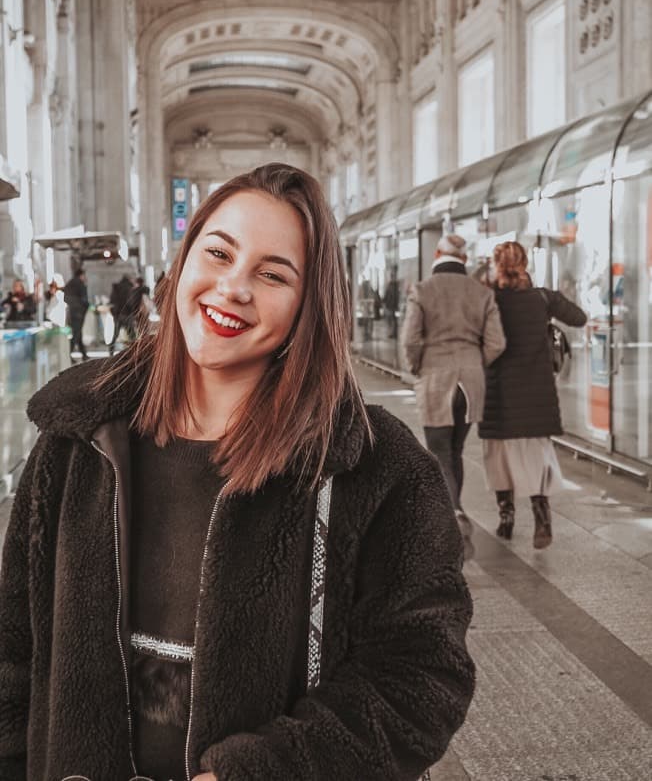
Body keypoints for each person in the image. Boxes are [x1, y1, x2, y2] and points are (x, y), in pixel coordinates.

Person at [0, 163, 475, 781]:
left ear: (310, 303)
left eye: (273, 274)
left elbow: (422, 675)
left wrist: (260, 771)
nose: (232, 288)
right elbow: (14, 650)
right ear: (183, 261)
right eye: (218, 253)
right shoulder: (79, 439)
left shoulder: (374, 467)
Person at [401, 234, 506, 556]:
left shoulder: (422, 289)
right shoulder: (482, 292)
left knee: (438, 452)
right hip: (471, 381)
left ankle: (455, 514)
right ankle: (454, 512)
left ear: (437, 254)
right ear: (464, 258)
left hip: (436, 379)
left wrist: (418, 367)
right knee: (455, 451)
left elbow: (411, 339)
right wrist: (474, 363)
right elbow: (496, 343)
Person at [479, 241, 587, 549]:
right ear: (525, 263)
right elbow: (579, 318)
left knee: (499, 458)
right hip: (536, 396)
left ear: (495, 265)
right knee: (537, 459)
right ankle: (542, 520)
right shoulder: (542, 298)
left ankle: (506, 519)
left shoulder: (488, 299)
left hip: (499, 395)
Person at [63, 267, 90, 359]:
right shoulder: (80, 284)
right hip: (78, 312)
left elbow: (65, 298)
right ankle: (68, 354)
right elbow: (84, 299)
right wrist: (85, 306)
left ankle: (84, 354)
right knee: (76, 333)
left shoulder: (70, 283)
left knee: (78, 333)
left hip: (73, 311)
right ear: (81, 275)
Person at [109, 273, 134, 354]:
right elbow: (130, 302)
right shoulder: (129, 288)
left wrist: (114, 313)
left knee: (115, 334)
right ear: (129, 279)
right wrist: (133, 312)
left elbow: (112, 301)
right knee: (131, 335)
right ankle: (134, 352)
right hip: (126, 314)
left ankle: (111, 352)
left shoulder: (116, 288)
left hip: (117, 314)